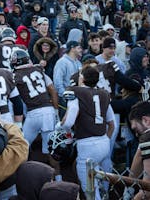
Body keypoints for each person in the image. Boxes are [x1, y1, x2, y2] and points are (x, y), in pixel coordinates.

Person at [59, 66, 114, 200]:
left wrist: (65, 134)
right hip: (104, 143)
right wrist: (105, 139)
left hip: (87, 145)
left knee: (90, 192)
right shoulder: (103, 94)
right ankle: (105, 190)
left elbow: (68, 123)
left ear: (82, 78)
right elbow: (112, 123)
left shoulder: (76, 93)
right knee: (96, 176)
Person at [53, 41, 82, 118]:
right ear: (72, 49)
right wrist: (64, 95)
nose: (80, 50)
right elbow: (57, 81)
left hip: (76, 97)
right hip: (65, 99)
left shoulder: (78, 62)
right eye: (78, 48)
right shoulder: (62, 62)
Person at [127, 101, 150, 200]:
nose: (136, 135)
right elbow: (139, 155)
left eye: (136, 130)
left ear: (146, 120)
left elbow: (147, 190)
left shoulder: (147, 137)